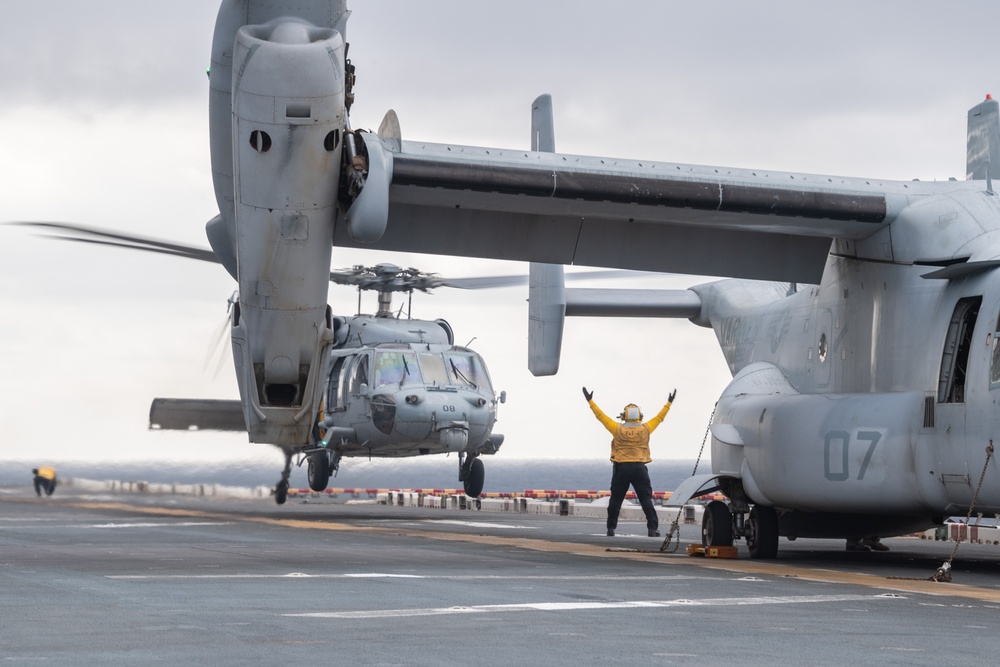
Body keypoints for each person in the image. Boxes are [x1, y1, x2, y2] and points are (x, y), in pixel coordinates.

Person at [583, 387, 675, 537]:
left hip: (621, 468)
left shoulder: (617, 429)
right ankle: (652, 529)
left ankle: (611, 528)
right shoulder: (645, 429)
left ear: (623, 416)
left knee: (616, 499)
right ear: (640, 416)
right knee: (645, 499)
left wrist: (590, 401)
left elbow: (600, 416)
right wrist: (669, 403)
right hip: (639, 468)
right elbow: (659, 418)